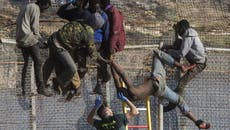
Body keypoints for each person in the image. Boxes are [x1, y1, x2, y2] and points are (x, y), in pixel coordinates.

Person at [100, 51, 210, 129]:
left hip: (160, 91)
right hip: (158, 80)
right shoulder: (133, 90)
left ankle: (197, 122)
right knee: (157, 53)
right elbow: (122, 74)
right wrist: (112, 62)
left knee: (180, 101)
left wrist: (111, 65)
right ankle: (181, 66)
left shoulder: (131, 97)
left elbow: (116, 78)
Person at [43, 11, 100, 101]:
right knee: (72, 68)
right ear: (96, 26)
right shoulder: (89, 31)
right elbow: (91, 50)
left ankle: (45, 85)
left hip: (53, 39)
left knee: (53, 63)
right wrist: (99, 58)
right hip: (59, 46)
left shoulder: (80, 21)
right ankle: (58, 82)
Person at [159, 19, 207, 112]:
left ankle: (173, 104)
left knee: (181, 83)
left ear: (182, 28)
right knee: (178, 43)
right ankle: (176, 64)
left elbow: (182, 53)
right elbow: (179, 43)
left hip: (199, 64)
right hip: (195, 60)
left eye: (178, 28)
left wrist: (169, 51)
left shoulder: (189, 35)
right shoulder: (188, 33)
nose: (178, 30)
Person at [16, 0, 52, 97]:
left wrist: (40, 42)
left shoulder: (27, 6)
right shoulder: (36, 8)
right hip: (28, 37)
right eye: (45, 8)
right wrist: (43, 41)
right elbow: (35, 29)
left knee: (27, 63)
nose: (44, 10)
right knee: (38, 61)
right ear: (41, 4)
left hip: (20, 38)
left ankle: (24, 88)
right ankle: (41, 87)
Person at [93, 0, 126, 95]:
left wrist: (111, 47)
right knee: (103, 62)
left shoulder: (114, 13)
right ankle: (101, 83)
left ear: (103, 3)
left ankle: (119, 88)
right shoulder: (108, 12)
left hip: (112, 43)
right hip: (107, 42)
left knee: (112, 64)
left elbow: (116, 31)